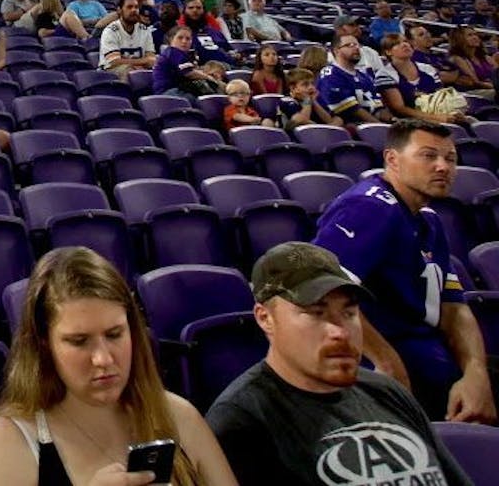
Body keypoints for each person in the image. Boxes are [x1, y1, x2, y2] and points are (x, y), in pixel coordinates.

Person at [206, 241, 473, 486]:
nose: (341, 332)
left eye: (348, 312)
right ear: (265, 318)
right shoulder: (242, 419)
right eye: (316, 313)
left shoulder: (387, 392)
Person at [0, 246, 236, 486]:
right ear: (44, 344)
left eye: (114, 334)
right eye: (79, 341)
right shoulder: (8, 440)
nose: (103, 359)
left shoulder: (178, 416)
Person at [314, 119, 497, 423]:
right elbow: (325, 288)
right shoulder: (370, 207)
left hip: (438, 362)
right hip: (405, 376)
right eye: (428, 156)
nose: (443, 167)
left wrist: (476, 374)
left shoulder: (428, 219)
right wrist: (388, 364)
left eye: (450, 159)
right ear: (392, 160)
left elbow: (454, 307)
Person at [376, 33, 464, 126]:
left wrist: (453, 112)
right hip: (409, 122)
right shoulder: (385, 75)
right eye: (396, 44)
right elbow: (400, 109)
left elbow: (441, 96)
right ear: (388, 52)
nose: (405, 45)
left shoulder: (427, 69)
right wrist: (436, 118)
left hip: (438, 115)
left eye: (405, 41)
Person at [316, 33, 390, 125]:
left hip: (369, 127)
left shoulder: (364, 76)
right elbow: (351, 110)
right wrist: (380, 126)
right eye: (349, 45)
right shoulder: (330, 74)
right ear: (336, 51)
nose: (356, 48)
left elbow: (377, 108)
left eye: (357, 45)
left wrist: (393, 120)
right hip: (345, 129)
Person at [98, 0, 156, 81]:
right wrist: (141, 63)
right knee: (128, 71)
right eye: (129, 7)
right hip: (110, 72)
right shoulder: (110, 31)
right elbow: (114, 61)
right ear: (119, 10)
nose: (134, 10)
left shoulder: (144, 30)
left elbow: (151, 58)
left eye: (136, 7)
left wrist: (143, 64)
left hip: (139, 68)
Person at [153, 26, 221, 98]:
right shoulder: (173, 52)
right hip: (168, 93)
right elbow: (189, 73)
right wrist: (210, 78)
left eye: (188, 39)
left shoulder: (177, 53)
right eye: (180, 38)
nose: (184, 41)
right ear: (171, 39)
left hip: (172, 91)